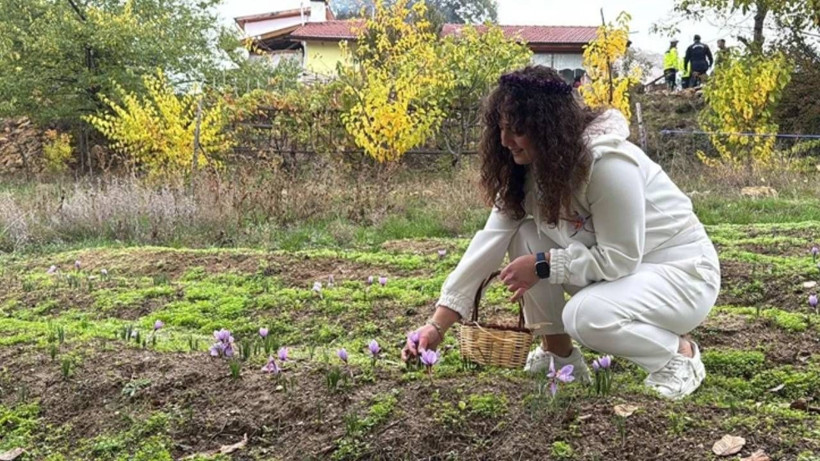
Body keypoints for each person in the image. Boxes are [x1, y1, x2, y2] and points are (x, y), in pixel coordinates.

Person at [401, 66, 721, 400]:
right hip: (625, 276)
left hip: (681, 275)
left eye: (518, 130)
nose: (504, 141)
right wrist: (437, 326)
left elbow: (620, 258)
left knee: (585, 315)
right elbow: (488, 244)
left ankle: (678, 357)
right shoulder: (528, 171)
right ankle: (558, 352)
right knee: (523, 234)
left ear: (547, 126)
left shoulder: (607, 163)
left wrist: (543, 265)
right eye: (501, 128)